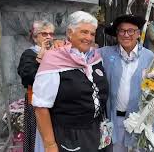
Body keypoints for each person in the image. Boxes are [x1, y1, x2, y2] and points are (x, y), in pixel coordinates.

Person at [32, 11, 109, 152]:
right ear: (70, 33)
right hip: (69, 135)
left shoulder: (95, 58)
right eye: (84, 32)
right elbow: (41, 107)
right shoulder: (54, 60)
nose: (89, 38)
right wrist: (49, 145)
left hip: (97, 131)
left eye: (92, 34)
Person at [98, 14, 154, 152]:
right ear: (117, 34)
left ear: (138, 33)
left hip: (139, 120)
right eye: (122, 31)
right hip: (114, 120)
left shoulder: (149, 57)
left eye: (131, 31)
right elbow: (81, 55)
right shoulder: (105, 54)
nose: (126, 35)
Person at [17, 20, 55, 152]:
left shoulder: (56, 52)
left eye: (51, 33)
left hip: (54, 102)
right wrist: (41, 55)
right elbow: (28, 77)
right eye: (44, 34)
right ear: (35, 37)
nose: (49, 37)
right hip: (36, 102)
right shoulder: (29, 53)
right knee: (38, 138)